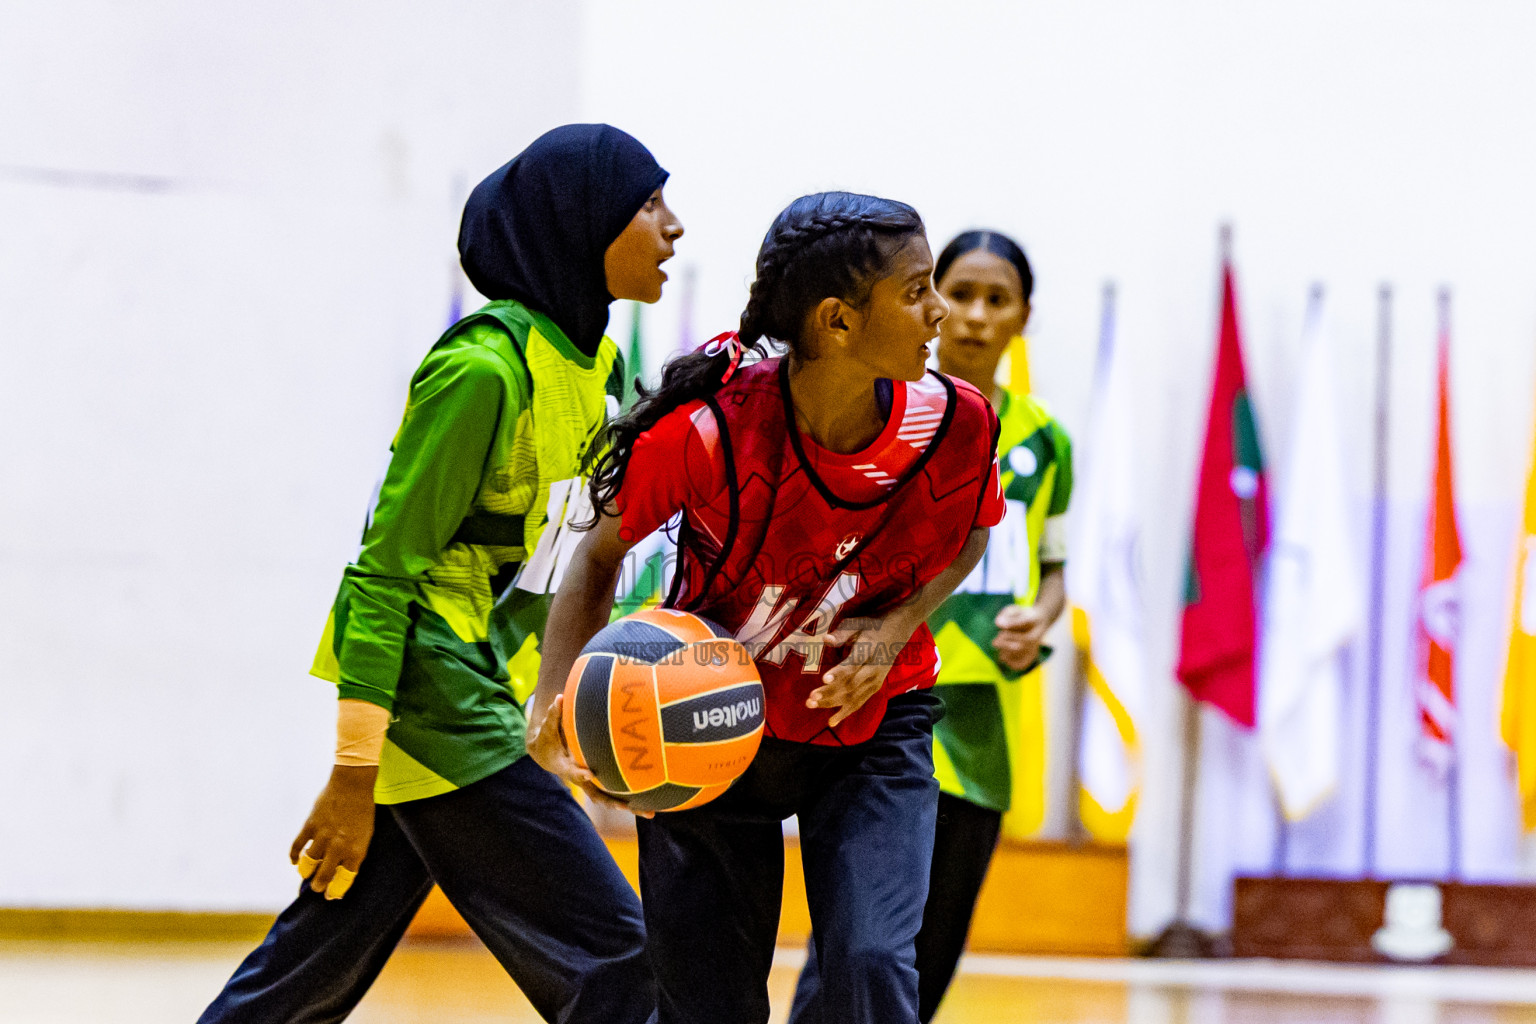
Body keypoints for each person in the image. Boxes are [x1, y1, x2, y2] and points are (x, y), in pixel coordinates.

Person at [197, 124, 682, 1024]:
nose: (674, 225)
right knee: (619, 957)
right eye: (650, 204)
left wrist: (551, 703)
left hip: (480, 688)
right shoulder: (478, 370)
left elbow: (550, 568)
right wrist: (353, 769)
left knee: (314, 961)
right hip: (435, 693)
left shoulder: (599, 367)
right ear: (584, 223)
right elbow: (381, 576)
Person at [527, 192, 1006, 1024]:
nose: (940, 313)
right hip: (706, 722)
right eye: (918, 289)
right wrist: (553, 691)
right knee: (709, 1003)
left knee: (870, 961)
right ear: (838, 322)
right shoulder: (710, 429)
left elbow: (968, 539)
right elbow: (598, 555)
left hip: (872, 724)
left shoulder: (958, 422)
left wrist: (892, 633)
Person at [791, 229, 1072, 1023]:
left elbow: (1051, 571)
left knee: (933, 948)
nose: (978, 317)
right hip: (882, 699)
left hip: (981, 721)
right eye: (964, 295)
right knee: (859, 940)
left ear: (1024, 317)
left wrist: (1039, 618)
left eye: (1000, 300)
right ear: (933, 301)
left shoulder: (1045, 440)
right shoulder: (885, 413)